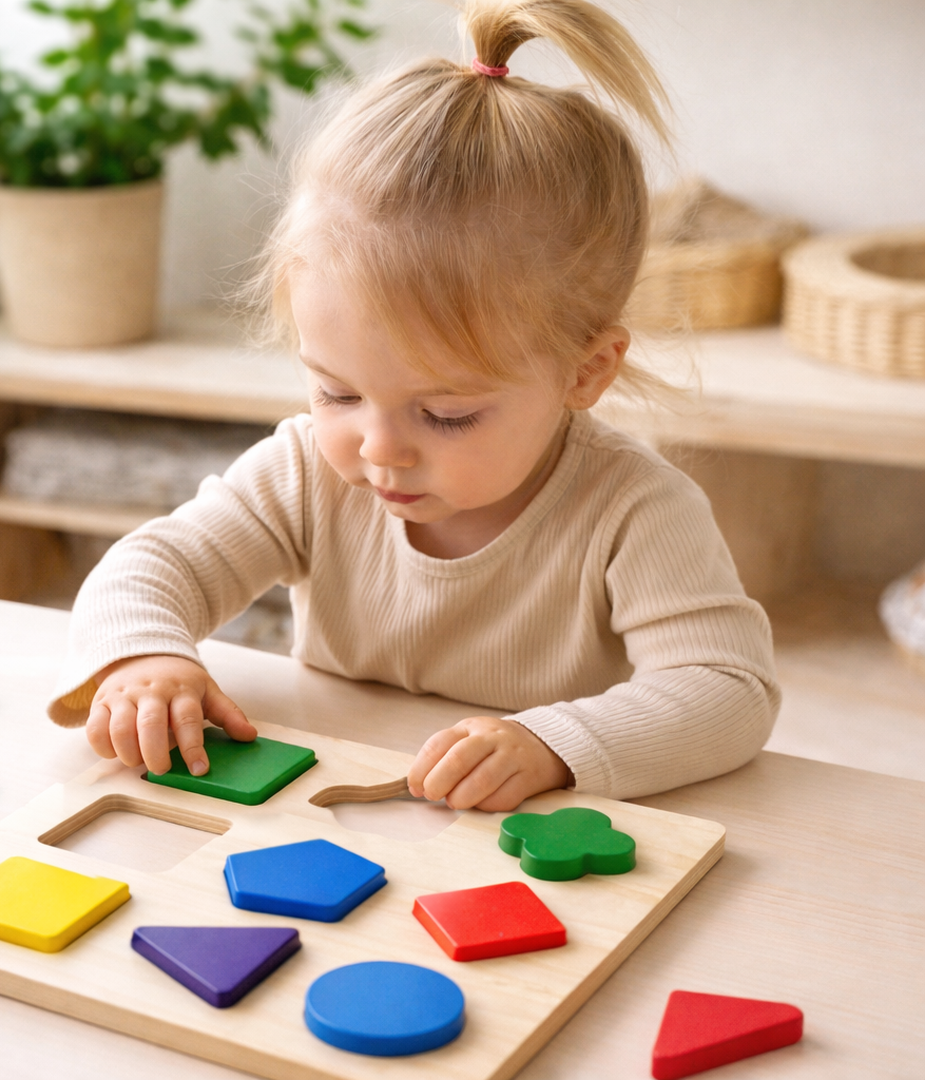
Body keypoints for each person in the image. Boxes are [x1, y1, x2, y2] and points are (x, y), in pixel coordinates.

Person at [48, 0, 779, 809]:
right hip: (335, 810)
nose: (379, 448)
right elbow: (155, 566)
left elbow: (727, 689)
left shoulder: (637, 510)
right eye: (337, 392)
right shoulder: (302, 472)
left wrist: (554, 744)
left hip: (520, 838)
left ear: (586, 371)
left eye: (447, 413)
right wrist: (142, 658)